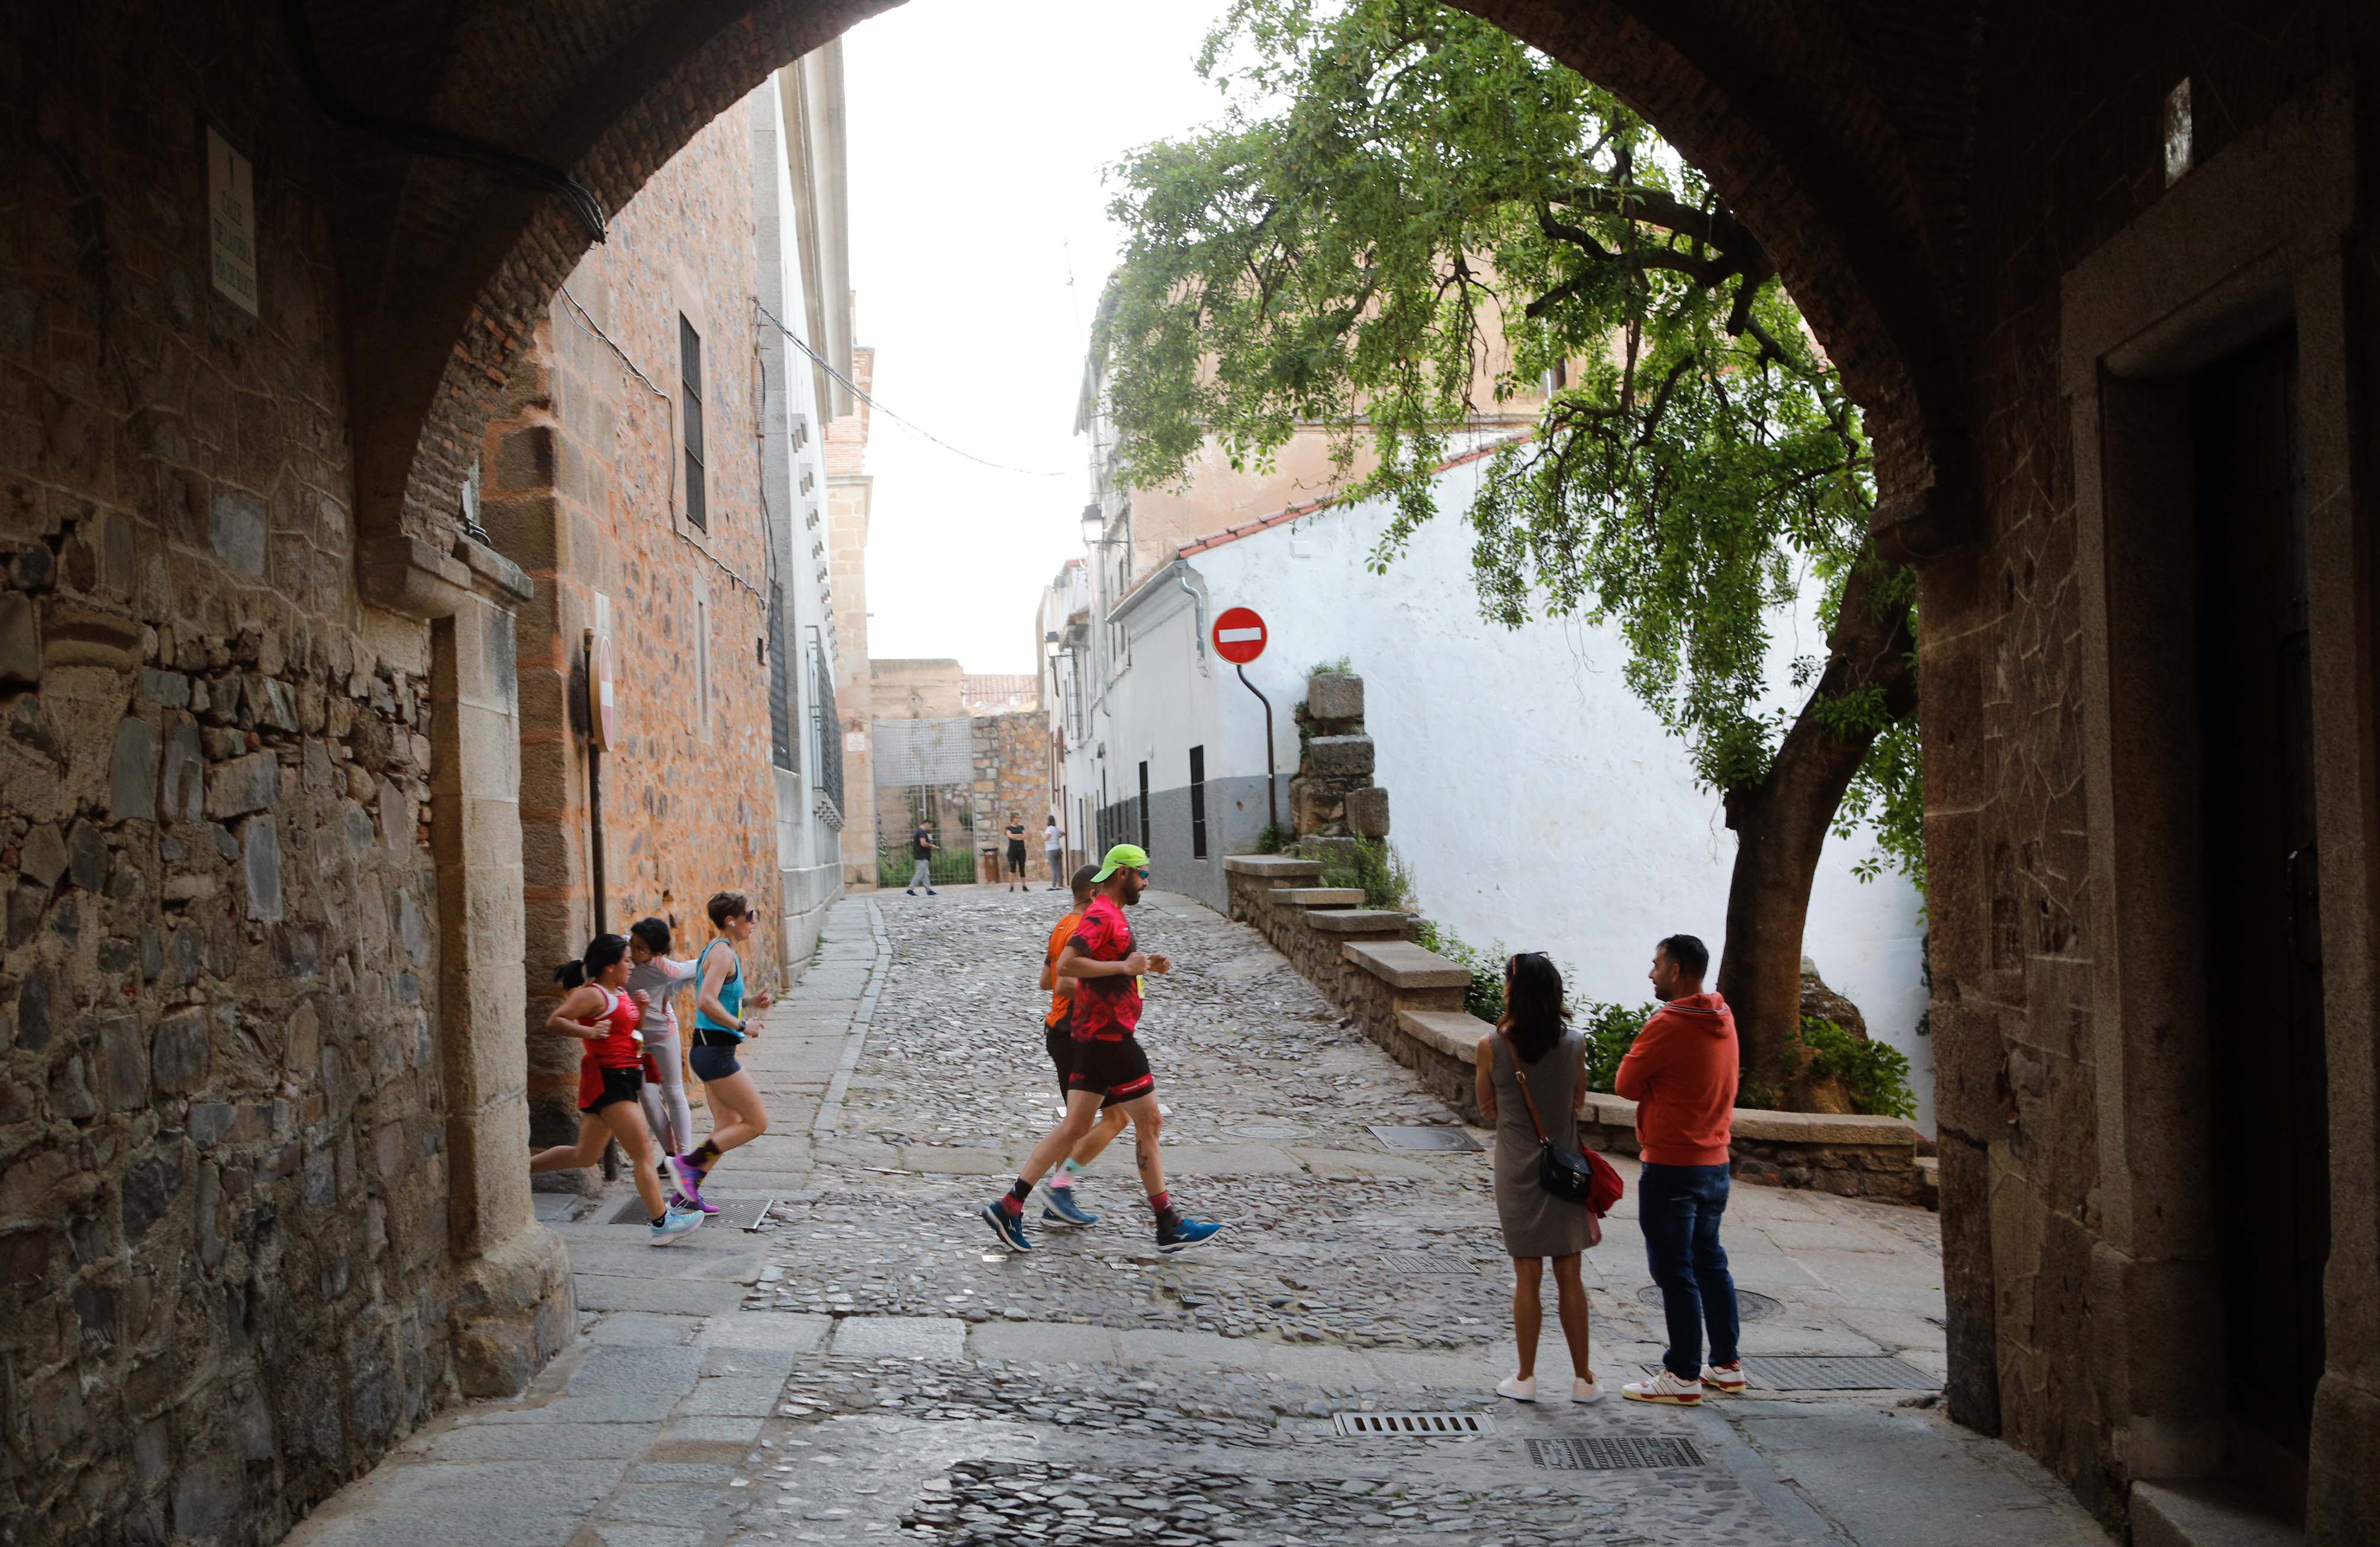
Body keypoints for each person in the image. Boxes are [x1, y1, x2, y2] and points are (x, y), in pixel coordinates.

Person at [980, 844, 1223, 1253]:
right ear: (1122, 874)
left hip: (1091, 1037)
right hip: (1111, 1039)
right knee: (1150, 1124)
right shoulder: (1100, 914)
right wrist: (1124, 968)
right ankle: (1168, 1223)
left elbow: (1115, 966)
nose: (1147, 881)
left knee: (1076, 1127)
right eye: (1142, 874)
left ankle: (1010, 1204)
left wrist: (1147, 966)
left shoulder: (1114, 916)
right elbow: (1069, 966)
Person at [1615, 933, 1745, 1406]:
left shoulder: (1668, 1022)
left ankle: (1683, 1372)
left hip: (1672, 1163)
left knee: (1674, 1269)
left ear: (1678, 971)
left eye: (1657, 965)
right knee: (1710, 1261)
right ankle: (1726, 1365)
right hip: (1715, 1162)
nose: (1651, 973)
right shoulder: (1723, 1015)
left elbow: (1626, 1085)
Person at [1475, 952, 1602, 1403]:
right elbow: (1579, 1101)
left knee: (1526, 1275)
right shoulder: (1576, 1044)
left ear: (1514, 991)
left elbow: (1485, 1105)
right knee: (1571, 1274)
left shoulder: (1491, 1045)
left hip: (1517, 1169)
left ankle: (1526, 1377)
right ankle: (1583, 1379)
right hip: (1565, 1169)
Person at [529, 933, 702, 1245]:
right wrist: (590, 1031)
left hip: (624, 1077)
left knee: (585, 1156)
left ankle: (517, 1170)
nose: (631, 965)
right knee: (643, 1153)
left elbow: (628, 1034)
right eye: (625, 960)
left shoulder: (621, 992)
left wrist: (637, 1008)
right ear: (609, 966)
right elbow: (555, 1021)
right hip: (609, 1080)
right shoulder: (592, 994)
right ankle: (662, 1222)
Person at [662, 892, 778, 1209]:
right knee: (756, 1123)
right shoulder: (724, 953)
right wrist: (743, 1026)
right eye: (750, 914)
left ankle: (686, 1195)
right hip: (715, 1054)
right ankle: (688, 1164)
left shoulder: (719, 950)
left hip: (710, 1050)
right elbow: (706, 1002)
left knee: (726, 1126)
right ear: (732, 920)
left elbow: (719, 999)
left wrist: (750, 1002)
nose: (754, 920)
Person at [1036, 863, 1132, 1228]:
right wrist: (1116, 986)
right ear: (1094, 895)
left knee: (1079, 1123)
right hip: (1077, 1033)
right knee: (1115, 1118)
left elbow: (1046, 979)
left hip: (1061, 1032)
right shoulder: (1083, 931)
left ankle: (1058, 1201)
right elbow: (1061, 985)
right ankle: (1056, 1192)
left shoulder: (1062, 926)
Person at [625, 916, 704, 1210]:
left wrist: (673, 988)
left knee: (673, 1091)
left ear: (656, 952)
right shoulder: (625, 951)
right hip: (633, 1035)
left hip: (662, 1033)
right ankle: (670, 1154)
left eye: (642, 948)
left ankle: (684, 1158)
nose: (634, 951)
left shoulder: (662, 967)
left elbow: (697, 966)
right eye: (633, 944)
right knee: (646, 1096)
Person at [905, 821, 939, 896]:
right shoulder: (922, 832)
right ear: (927, 824)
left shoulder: (918, 831)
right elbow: (923, 843)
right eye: (930, 826)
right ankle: (910, 889)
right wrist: (932, 846)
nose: (930, 828)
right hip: (922, 857)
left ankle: (929, 890)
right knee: (920, 873)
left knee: (925, 874)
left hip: (921, 856)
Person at [1004, 813, 1030, 892]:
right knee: (1013, 868)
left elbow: (1026, 836)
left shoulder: (1021, 827)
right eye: (1017, 818)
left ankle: (1024, 886)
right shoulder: (1008, 828)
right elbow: (1010, 836)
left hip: (1021, 850)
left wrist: (1017, 836)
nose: (1018, 819)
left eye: (1019, 818)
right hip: (1012, 850)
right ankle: (1011, 886)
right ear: (1013, 818)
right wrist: (1019, 836)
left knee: (1022, 868)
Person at [1043, 814, 1064, 890]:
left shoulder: (1049, 829)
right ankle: (1060, 885)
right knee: (1059, 868)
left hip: (1051, 850)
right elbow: (1063, 833)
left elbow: (1046, 838)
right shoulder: (1056, 829)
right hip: (1058, 848)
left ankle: (1054, 885)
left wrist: (1042, 834)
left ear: (1049, 821)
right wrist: (1057, 837)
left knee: (1053, 868)